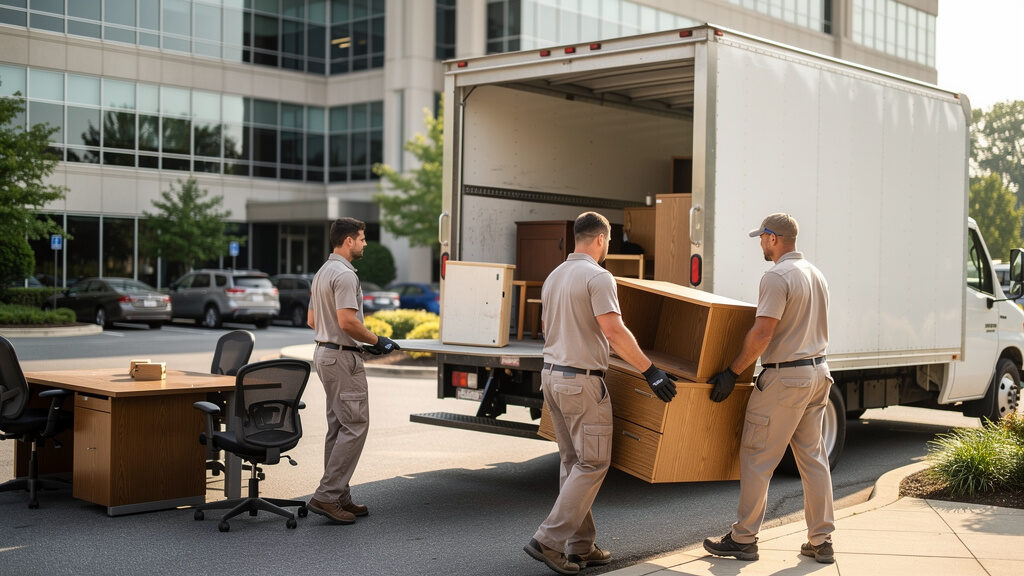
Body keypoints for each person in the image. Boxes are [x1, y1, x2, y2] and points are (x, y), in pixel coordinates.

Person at [524, 211, 678, 575]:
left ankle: (581, 546)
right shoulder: (598, 276)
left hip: (552, 376)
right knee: (593, 463)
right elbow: (614, 330)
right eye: (608, 242)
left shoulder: (554, 276)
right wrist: (650, 371)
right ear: (601, 240)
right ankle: (548, 540)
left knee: (572, 462)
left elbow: (547, 327)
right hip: (582, 382)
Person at [702, 213, 835, 564]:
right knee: (813, 459)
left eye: (761, 237)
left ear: (773, 237)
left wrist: (732, 371)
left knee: (757, 458)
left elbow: (763, 333)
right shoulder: (815, 274)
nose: (760, 244)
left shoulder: (777, 277)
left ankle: (743, 538)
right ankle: (821, 541)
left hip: (785, 379)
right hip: (818, 373)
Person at [306, 217, 400, 524]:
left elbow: (312, 320)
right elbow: (347, 321)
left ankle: (339, 494)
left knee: (339, 426)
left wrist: (340, 335)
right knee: (355, 424)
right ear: (348, 241)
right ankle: (327, 495)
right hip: (342, 358)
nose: (364, 243)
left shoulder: (323, 272)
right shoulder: (345, 275)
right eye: (361, 238)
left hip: (324, 353)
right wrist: (377, 341)